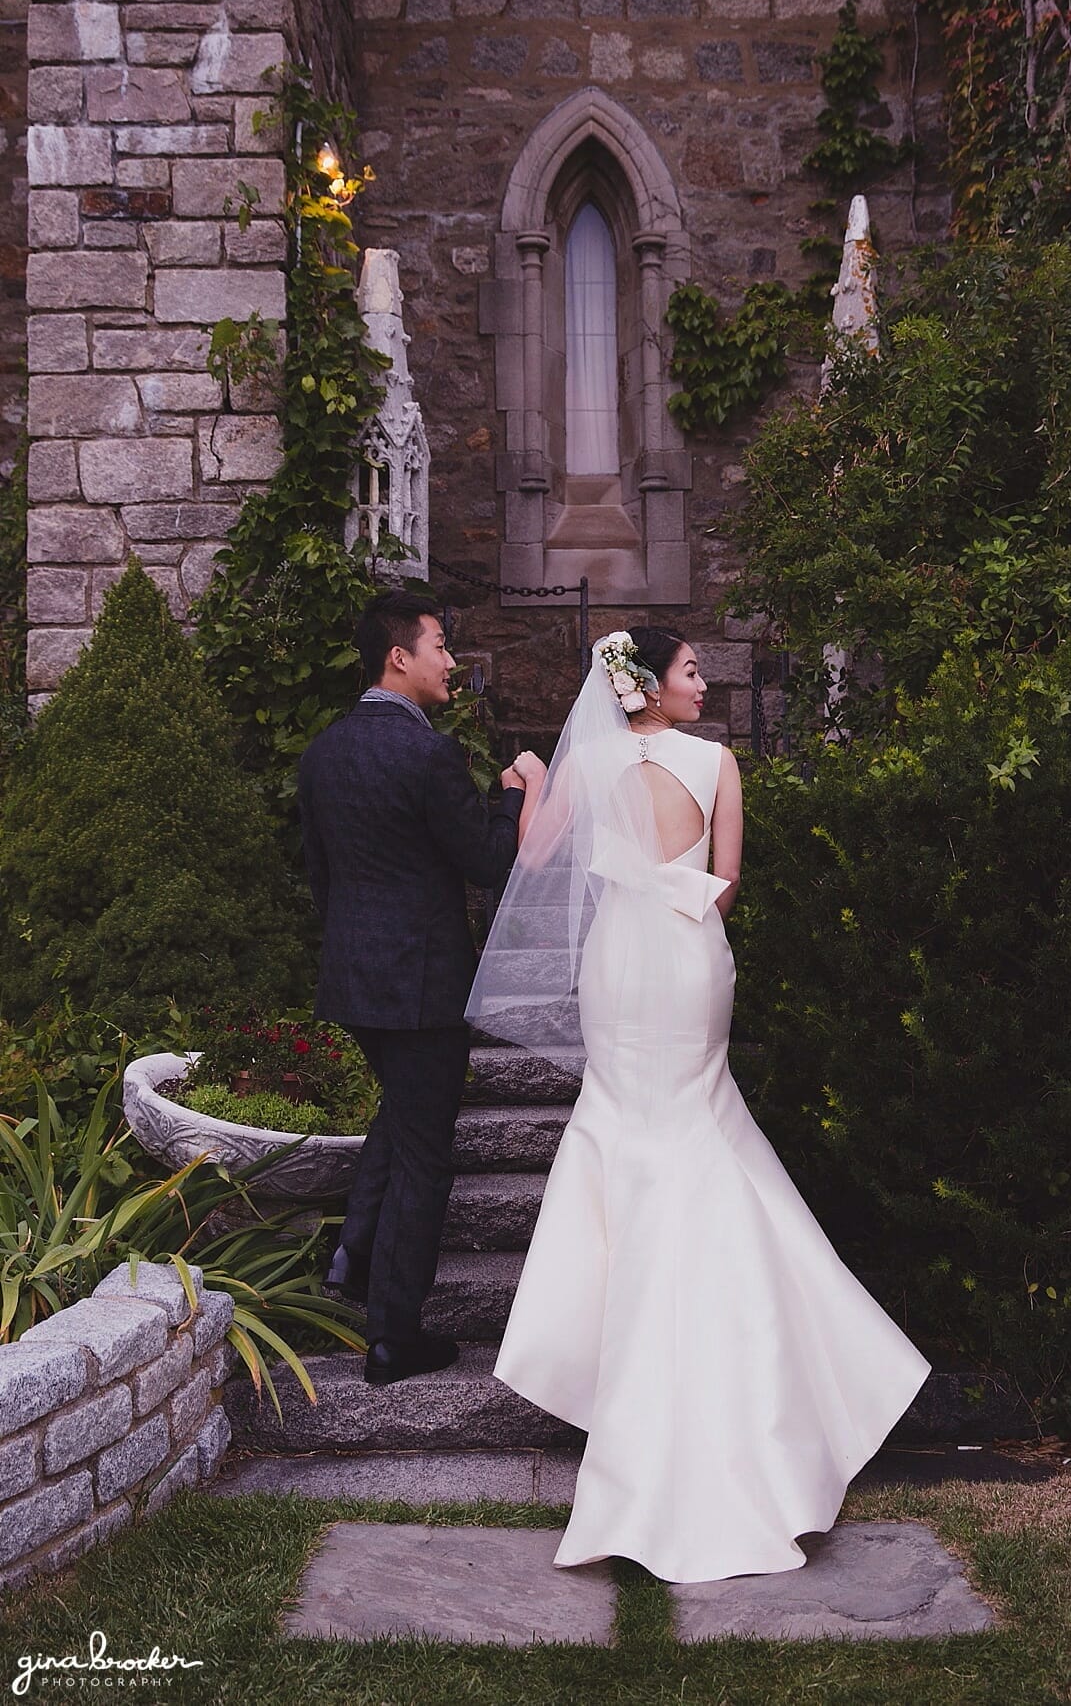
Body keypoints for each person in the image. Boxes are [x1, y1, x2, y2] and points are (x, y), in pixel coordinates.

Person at [467, 625, 931, 1583]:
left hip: (617, 963)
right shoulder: (718, 762)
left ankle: (637, 1394)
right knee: (698, 1134)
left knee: (626, 1134)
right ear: (645, 685)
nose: (703, 679)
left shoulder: (588, 761)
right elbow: (724, 888)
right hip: (683, 956)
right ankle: (751, 1383)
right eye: (688, 668)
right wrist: (665, 891)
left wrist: (533, 779)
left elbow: (535, 858)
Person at [298, 590, 545, 1387]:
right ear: (399, 656)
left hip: (356, 979)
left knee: (402, 1117)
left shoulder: (324, 752)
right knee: (425, 1157)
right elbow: (487, 861)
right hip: (425, 985)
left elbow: (320, 876)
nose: (451, 660)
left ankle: (354, 1260)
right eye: (440, 644)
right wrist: (513, 795)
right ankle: (394, 1337)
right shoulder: (429, 754)